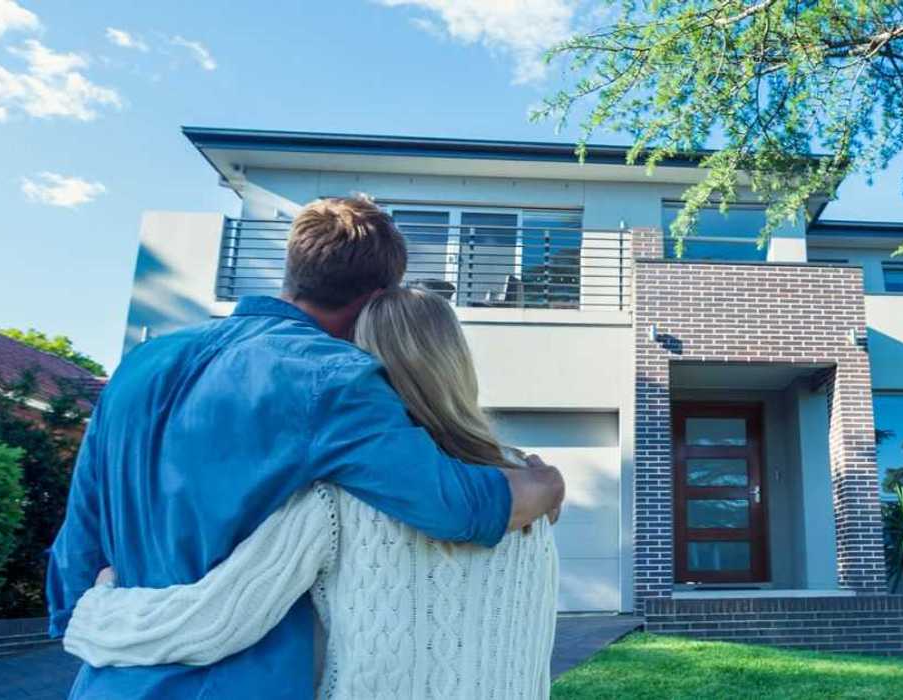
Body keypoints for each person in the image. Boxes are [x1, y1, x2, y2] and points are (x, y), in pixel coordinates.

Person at [46, 197, 565, 699]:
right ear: (377, 298)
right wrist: (545, 485)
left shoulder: (140, 365)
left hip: (108, 678)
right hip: (242, 682)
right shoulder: (333, 378)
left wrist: (96, 625)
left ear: (293, 270)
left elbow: (77, 545)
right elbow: (452, 506)